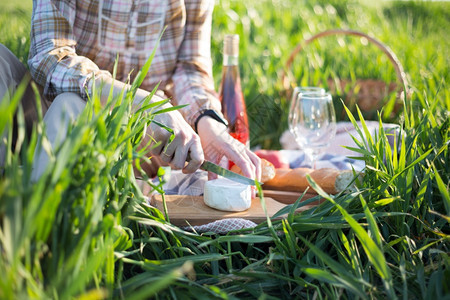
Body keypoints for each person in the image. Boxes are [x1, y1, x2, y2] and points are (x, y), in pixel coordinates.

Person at [0, 0, 261, 181]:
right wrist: (139, 102)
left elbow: (189, 68)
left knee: (70, 105)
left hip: (144, 142)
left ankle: (37, 234)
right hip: (46, 110)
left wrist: (207, 122)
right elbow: (50, 55)